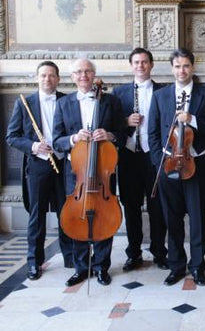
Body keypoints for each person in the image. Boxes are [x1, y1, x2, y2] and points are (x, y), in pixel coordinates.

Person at [148, 48, 205, 286]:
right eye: (177, 66)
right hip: (168, 165)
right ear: (172, 69)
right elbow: (152, 131)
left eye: (186, 66)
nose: (182, 71)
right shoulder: (161, 96)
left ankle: (197, 266)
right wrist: (158, 162)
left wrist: (191, 119)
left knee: (197, 218)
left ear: (193, 67)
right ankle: (176, 265)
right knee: (172, 218)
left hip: (196, 165)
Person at [53, 58, 125, 286]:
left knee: (105, 216)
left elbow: (122, 134)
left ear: (94, 75)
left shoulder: (110, 102)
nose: (83, 75)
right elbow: (56, 141)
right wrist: (74, 138)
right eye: (79, 72)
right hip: (77, 175)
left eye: (88, 71)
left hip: (103, 171)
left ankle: (102, 267)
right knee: (77, 217)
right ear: (72, 77)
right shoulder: (63, 104)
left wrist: (110, 136)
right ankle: (81, 267)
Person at [6, 61, 73, 280]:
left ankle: (70, 256)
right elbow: (12, 137)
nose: (47, 79)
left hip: (63, 163)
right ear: (37, 78)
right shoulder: (24, 102)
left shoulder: (66, 100)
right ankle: (35, 261)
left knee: (66, 212)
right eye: (43, 75)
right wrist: (34, 146)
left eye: (52, 75)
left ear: (58, 79)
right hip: (38, 165)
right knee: (37, 215)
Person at [112, 48, 168, 272]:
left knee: (157, 207)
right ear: (131, 65)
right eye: (136, 62)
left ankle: (159, 252)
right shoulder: (119, 93)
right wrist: (125, 121)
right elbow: (109, 124)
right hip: (128, 156)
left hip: (154, 156)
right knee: (131, 207)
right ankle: (133, 253)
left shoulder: (163, 91)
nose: (140, 66)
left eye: (144, 62)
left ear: (151, 65)